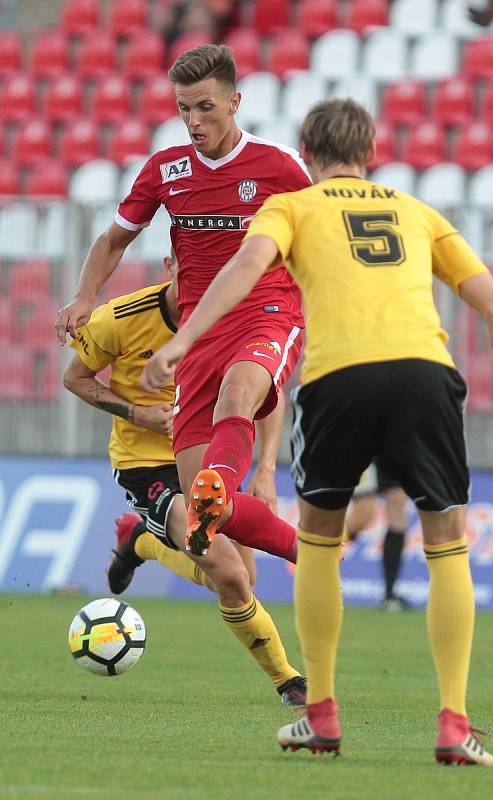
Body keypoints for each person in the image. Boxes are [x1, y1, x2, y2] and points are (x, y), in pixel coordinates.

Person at [140, 98, 493, 765]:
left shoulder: (293, 206)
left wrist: (183, 340)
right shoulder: (417, 212)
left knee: (319, 543)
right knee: (445, 545)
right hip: (424, 372)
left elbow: (243, 269)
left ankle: (322, 714)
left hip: (339, 379)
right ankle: (453, 724)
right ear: (371, 152)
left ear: (305, 156)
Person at [55, 43, 309, 577]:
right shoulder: (165, 170)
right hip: (195, 337)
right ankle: (144, 538)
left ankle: (311, 556)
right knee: (204, 515)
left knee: (239, 391)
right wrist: (84, 296)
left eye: (206, 108)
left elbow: (321, 238)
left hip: (266, 314)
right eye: (184, 109)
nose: (194, 122)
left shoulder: (279, 166)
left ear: (235, 101)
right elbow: (114, 240)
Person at [62, 251, 305, 708]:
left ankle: (142, 542)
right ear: (172, 266)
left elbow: (268, 395)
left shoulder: (238, 320)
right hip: (147, 465)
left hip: (211, 461)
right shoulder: (121, 318)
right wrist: (138, 414)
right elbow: (75, 378)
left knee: (240, 580)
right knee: (230, 573)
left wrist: (267, 471)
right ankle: (290, 681)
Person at [345, 462, 410, 611]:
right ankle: (320, 562)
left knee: (398, 502)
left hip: (393, 449)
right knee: (363, 515)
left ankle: (389, 593)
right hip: (368, 449)